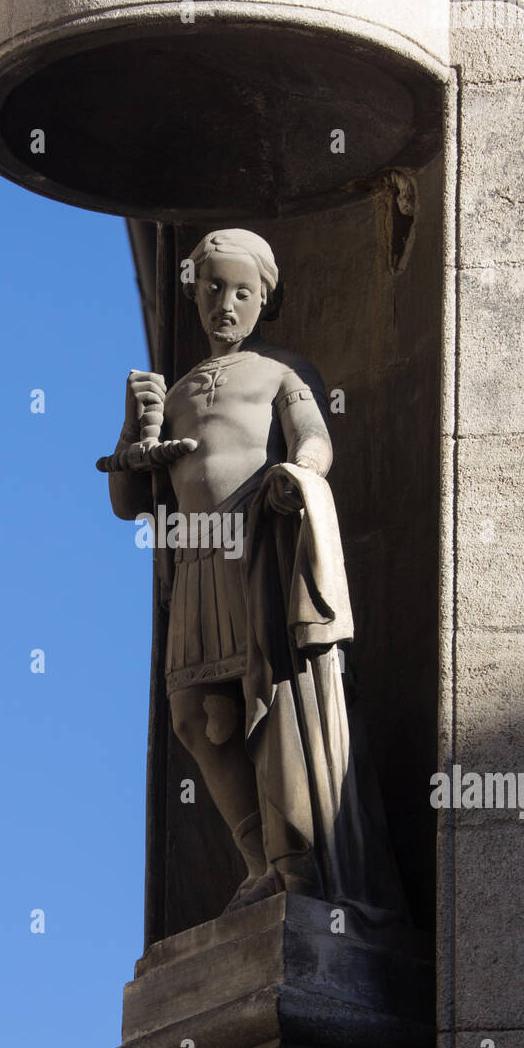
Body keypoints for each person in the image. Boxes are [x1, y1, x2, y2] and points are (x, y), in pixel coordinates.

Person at [104, 230, 407, 920]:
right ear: (194, 293)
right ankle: (255, 860)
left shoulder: (280, 371)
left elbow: (314, 439)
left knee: (267, 704)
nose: (226, 304)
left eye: (242, 291)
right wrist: (133, 438)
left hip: (254, 551)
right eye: (212, 289)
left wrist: (296, 478)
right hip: (195, 566)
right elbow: (129, 504)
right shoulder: (176, 392)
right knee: (193, 717)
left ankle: (295, 860)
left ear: (264, 298)